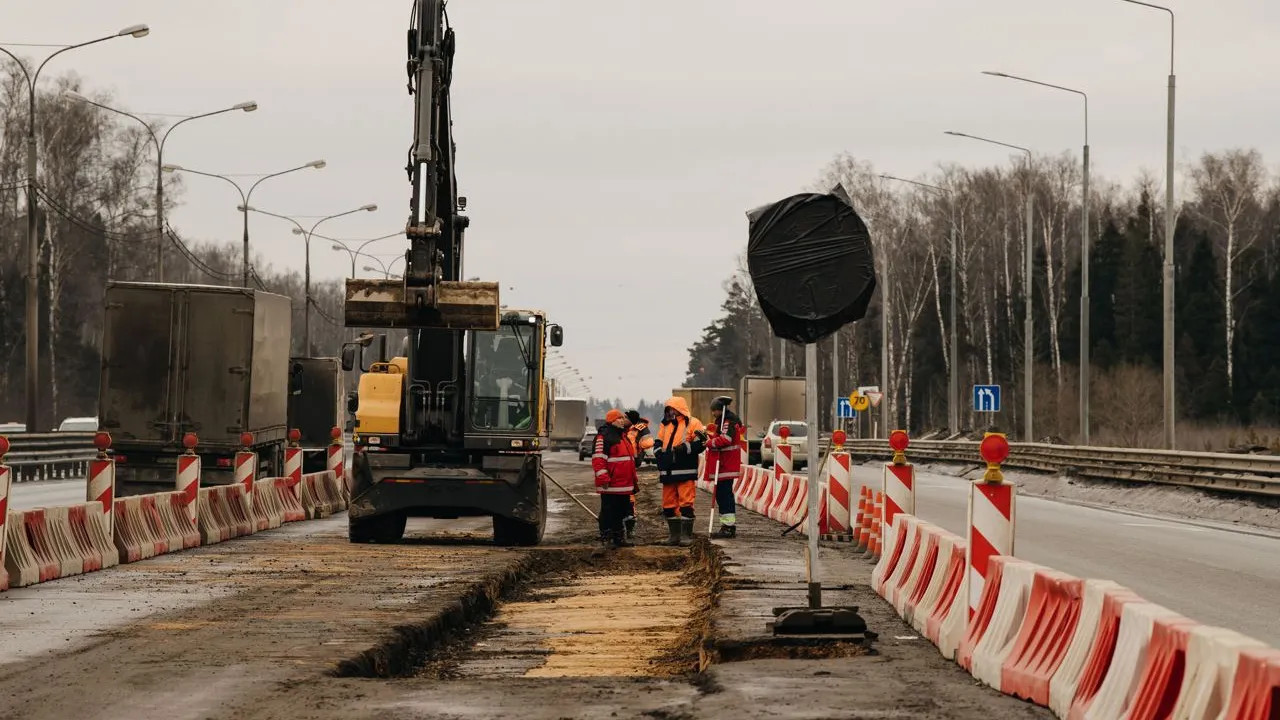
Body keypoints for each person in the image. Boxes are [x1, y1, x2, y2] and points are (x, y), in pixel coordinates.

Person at [652, 396, 706, 546]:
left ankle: (686, 536)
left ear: (679, 408)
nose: (670, 411)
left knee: (686, 504)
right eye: (668, 408)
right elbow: (658, 442)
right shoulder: (665, 424)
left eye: (672, 408)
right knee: (668, 505)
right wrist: (658, 453)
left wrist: (684, 449)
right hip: (668, 471)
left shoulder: (693, 423)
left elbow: (702, 443)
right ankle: (674, 536)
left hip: (685, 470)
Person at [591, 409, 637, 549]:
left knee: (621, 511)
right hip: (610, 484)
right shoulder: (603, 437)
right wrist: (604, 478)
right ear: (612, 420)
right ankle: (607, 537)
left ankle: (619, 537)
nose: (623, 420)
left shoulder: (623, 436)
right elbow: (598, 460)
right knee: (608, 511)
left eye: (623, 418)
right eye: (620, 418)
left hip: (624, 485)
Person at [704, 396, 744, 538]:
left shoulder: (728, 422)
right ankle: (726, 525)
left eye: (714, 411)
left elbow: (726, 439)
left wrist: (710, 443)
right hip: (724, 464)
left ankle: (728, 527)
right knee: (722, 494)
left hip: (726, 464)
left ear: (720, 410)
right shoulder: (725, 421)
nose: (713, 414)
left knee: (724, 495)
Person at [623, 410, 653, 541]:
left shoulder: (639, 429)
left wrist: (639, 453)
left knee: (630, 498)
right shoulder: (619, 430)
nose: (622, 419)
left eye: (625, 417)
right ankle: (615, 528)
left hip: (631, 467)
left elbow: (648, 443)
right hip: (620, 466)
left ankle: (630, 528)